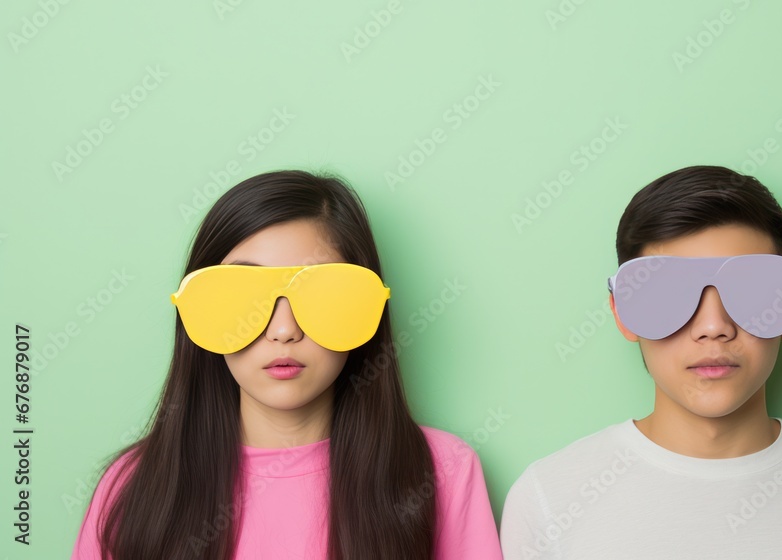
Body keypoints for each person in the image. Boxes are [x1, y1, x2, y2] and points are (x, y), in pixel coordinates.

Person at [499, 165, 782, 559]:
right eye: (668, 292)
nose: (713, 327)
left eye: (754, 290)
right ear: (622, 313)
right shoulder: (550, 499)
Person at [70, 170, 502, 560]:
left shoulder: (441, 471)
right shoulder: (133, 487)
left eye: (320, 294)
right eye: (244, 295)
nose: (283, 331)